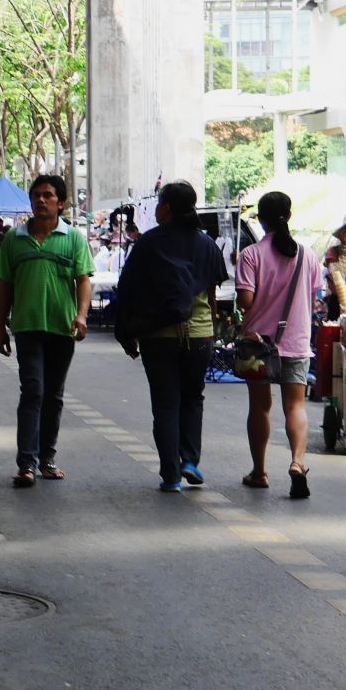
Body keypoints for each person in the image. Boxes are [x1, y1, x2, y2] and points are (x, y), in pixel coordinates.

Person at [115, 181, 229, 493]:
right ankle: (189, 460)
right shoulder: (207, 244)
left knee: (166, 404)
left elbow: (128, 290)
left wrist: (126, 333)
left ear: (165, 207)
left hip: (158, 336)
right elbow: (211, 296)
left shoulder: (148, 243)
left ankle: (170, 475)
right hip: (200, 335)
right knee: (193, 397)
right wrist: (210, 332)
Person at [0, 175, 94, 487]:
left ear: (61, 203)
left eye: (48, 195)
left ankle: (47, 458)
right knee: (33, 390)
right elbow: (5, 285)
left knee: (53, 395)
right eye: (36, 195)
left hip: (63, 329)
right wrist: (1, 327)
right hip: (27, 327)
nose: (40, 200)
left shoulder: (74, 238)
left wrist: (81, 316)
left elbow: (84, 280)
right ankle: (26, 463)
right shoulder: (14, 238)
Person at [237, 191, 324, 498]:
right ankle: (298, 463)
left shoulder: (251, 255)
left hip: (258, 345)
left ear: (260, 219)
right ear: (289, 216)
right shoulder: (308, 255)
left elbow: (245, 301)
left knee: (260, 407)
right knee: (295, 406)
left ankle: (260, 472)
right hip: (296, 342)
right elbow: (313, 300)